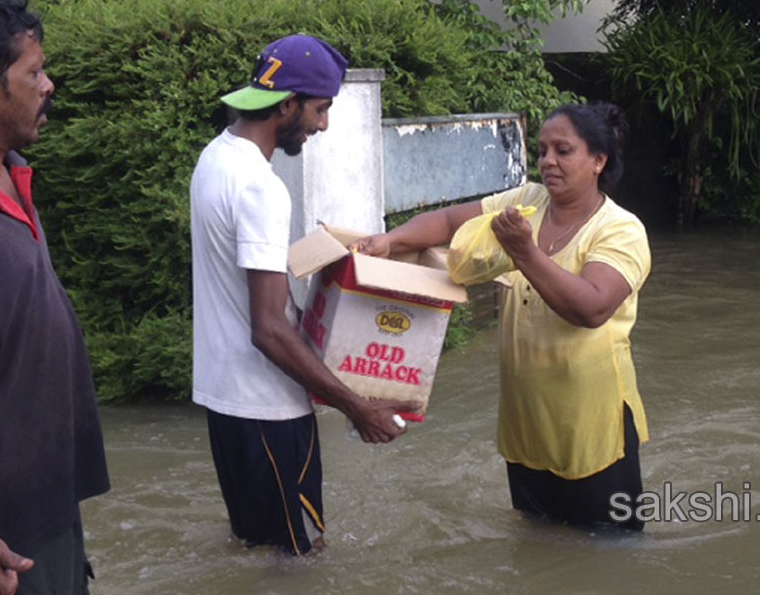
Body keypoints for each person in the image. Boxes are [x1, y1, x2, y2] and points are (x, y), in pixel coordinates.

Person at [355, 101, 651, 528]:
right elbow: (447, 221)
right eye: (543, 149)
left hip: (592, 422)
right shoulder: (528, 200)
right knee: (537, 543)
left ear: (598, 161)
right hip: (526, 418)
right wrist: (391, 240)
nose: (548, 160)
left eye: (563, 151)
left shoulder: (620, 230)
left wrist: (523, 251)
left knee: (608, 552)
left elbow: (591, 308)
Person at [190, 34, 416, 557]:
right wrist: (358, 407)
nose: (323, 124)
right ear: (286, 103)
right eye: (320, 108)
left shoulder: (215, 158)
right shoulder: (260, 187)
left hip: (226, 402)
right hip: (269, 409)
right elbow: (269, 328)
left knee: (256, 550)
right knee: (299, 562)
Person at [0, 0, 111, 594]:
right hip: (4, 545)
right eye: (33, 72)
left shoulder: (12, 175)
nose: (48, 84)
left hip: (50, 507)